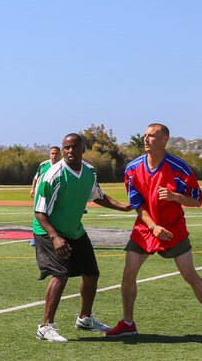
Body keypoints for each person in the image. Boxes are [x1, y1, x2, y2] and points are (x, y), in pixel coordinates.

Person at [105, 123, 202, 343]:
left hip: (173, 228)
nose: (146, 140)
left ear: (165, 139)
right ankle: (128, 323)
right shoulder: (132, 168)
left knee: (190, 274)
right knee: (128, 273)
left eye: (152, 136)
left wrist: (176, 197)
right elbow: (137, 204)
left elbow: (197, 200)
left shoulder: (180, 168)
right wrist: (153, 227)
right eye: (145, 136)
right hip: (146, 228)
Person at [32, 134, 132, 342]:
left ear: (83, 149)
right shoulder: (53, 175)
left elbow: (98, 195)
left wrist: (122, 207)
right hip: (48, 230)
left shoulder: (88, 171)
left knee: (91, 273)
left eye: (74, 147)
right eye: (66, 147)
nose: (69, 151)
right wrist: (55, 237)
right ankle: (45, 326)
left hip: (74, 230)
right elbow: (40, 211)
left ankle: (85, 319)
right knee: (61, 274)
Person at [29, 145, 63, 247]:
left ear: (60, 154)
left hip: (56, 196)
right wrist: (33, 188)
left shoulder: (63, 166)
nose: (54, 155)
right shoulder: (43, 165)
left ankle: (56, 237)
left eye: (56, 153)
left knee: (54, 215)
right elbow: (36, 177)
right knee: (39, 214)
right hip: (42, 195)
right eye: (52, 153)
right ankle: (35, 238)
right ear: (49, 154)